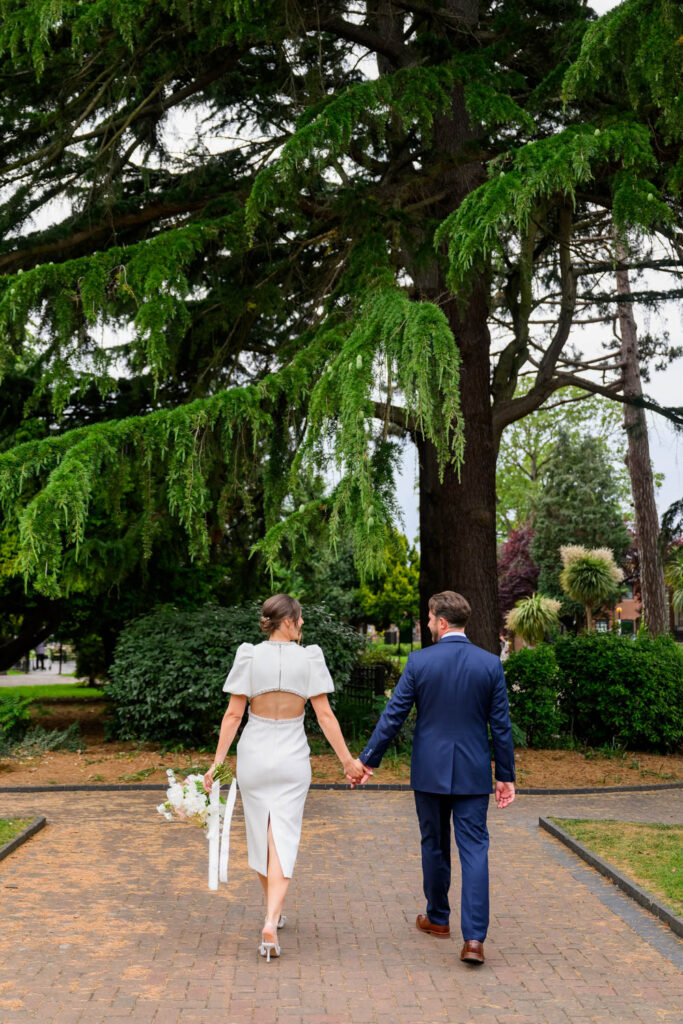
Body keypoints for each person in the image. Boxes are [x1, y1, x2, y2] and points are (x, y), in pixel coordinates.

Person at [203, 594, 364, 962]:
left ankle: (271, 912)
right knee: (284, 838)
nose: (303, 624)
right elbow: (325, 716)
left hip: (254, 755)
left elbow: (232, 716)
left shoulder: (248, 654)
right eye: (301, 618)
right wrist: (347, 761)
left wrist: (217, 763)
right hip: (292, 757)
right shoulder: (310, 658)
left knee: (262, 835)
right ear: (288, 621)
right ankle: (272, 920)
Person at [358, 590, 516, 966]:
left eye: (429, 619)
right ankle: (474, 939)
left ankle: (439, 918)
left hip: (429, 771)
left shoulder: (419, 662)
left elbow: (393, 715)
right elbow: (501, 727)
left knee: (434, 844)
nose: (427, 624)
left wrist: (368, 760)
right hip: (474, 773)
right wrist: (505, 775)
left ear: (441, 622)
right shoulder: (489, 664)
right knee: (475, 850)